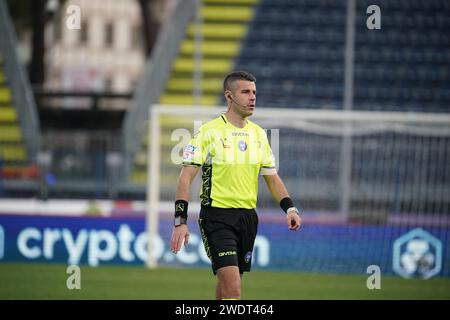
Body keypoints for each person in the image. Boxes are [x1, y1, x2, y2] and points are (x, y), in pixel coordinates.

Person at [170, 70, 302, 300]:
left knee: (228, 286)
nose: (252, 97)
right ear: (229, 96)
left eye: (254, 92)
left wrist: (290, 208)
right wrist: (180, 222)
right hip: (217, 217)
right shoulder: (208, 132)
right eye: (245, 92)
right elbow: (185, 177)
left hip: (248, 218)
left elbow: (272, 177)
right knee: (233, 289)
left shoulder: (258, 134)